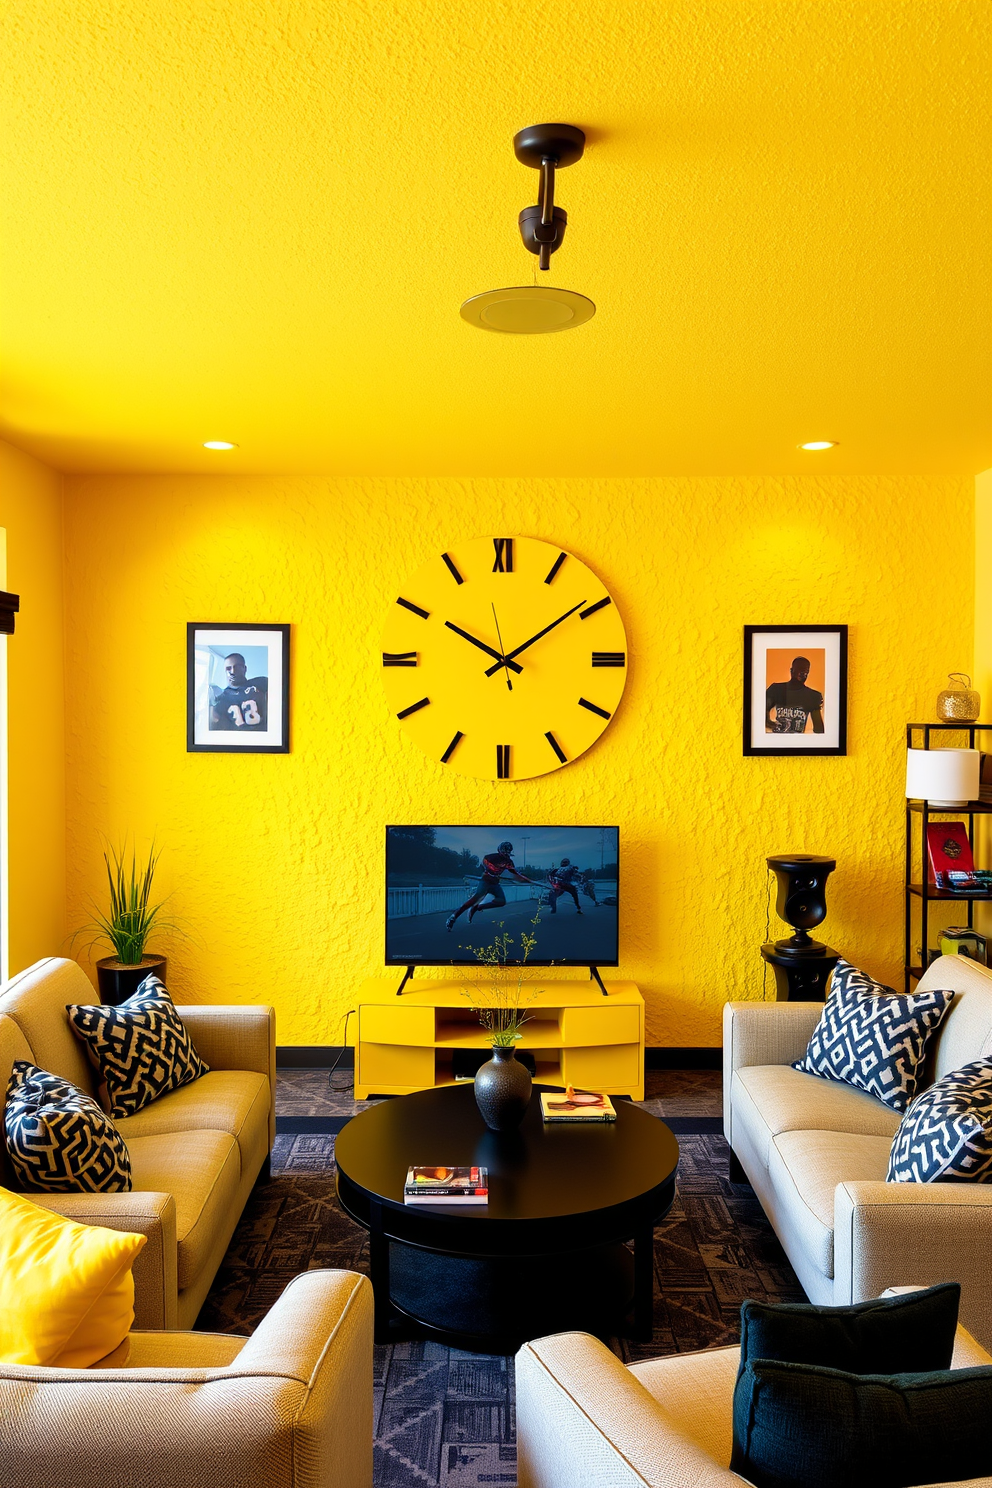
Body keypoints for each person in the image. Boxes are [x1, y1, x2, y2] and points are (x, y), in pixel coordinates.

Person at [446, 841, 534, 929]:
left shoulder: (509, 862)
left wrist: (526, 879)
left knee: (501, 901)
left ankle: (479, 907)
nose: (506, 854)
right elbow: (484, 863)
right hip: (485, 881)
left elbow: (515, 874)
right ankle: (453, 917)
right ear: (500, 850)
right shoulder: (491, 857)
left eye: (508, 852)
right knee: (475, 899)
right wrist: (493, 868)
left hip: (495, 883)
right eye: (504, 851)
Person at [765, 656, 824, 734]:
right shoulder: (776, 689)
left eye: (806, 671)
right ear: (791, 671)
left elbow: (819, 729)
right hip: (777, 741)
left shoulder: (812, 696)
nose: (803, 673)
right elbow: (759, 712)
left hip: (797, 743)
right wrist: (771, 725)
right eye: (800, 669)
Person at [209, 653, 269, 730]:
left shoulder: (261, 682)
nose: (232, 671)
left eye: (237, 667)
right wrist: (210, 704)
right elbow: (215, 722)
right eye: (228, 668)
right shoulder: (221, 697)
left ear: (245, 668)